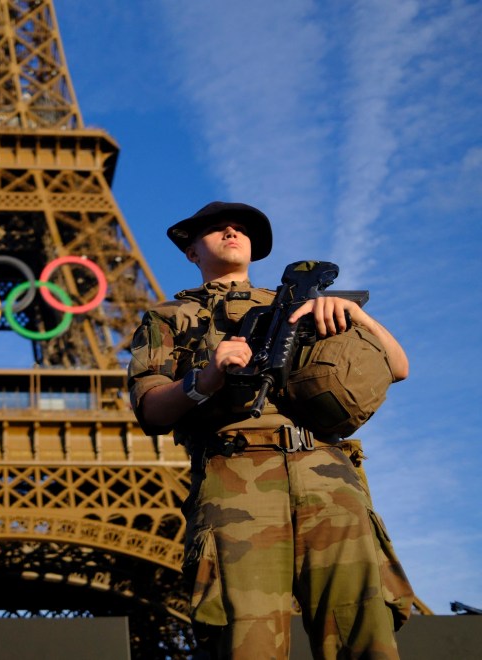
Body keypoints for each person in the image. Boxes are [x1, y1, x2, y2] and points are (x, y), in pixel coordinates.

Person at [127, 201, 414, 659]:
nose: (230, 231)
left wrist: (355, 316)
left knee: (365, 633)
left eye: (240, 228)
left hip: (327, 475)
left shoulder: (304, 303)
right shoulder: (169, 318)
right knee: (248, 641)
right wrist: (206, 378)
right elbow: (151, 408)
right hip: (236, 477)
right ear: (190, 252)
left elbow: (398, 368)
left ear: (254, 247)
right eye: (216, 228)